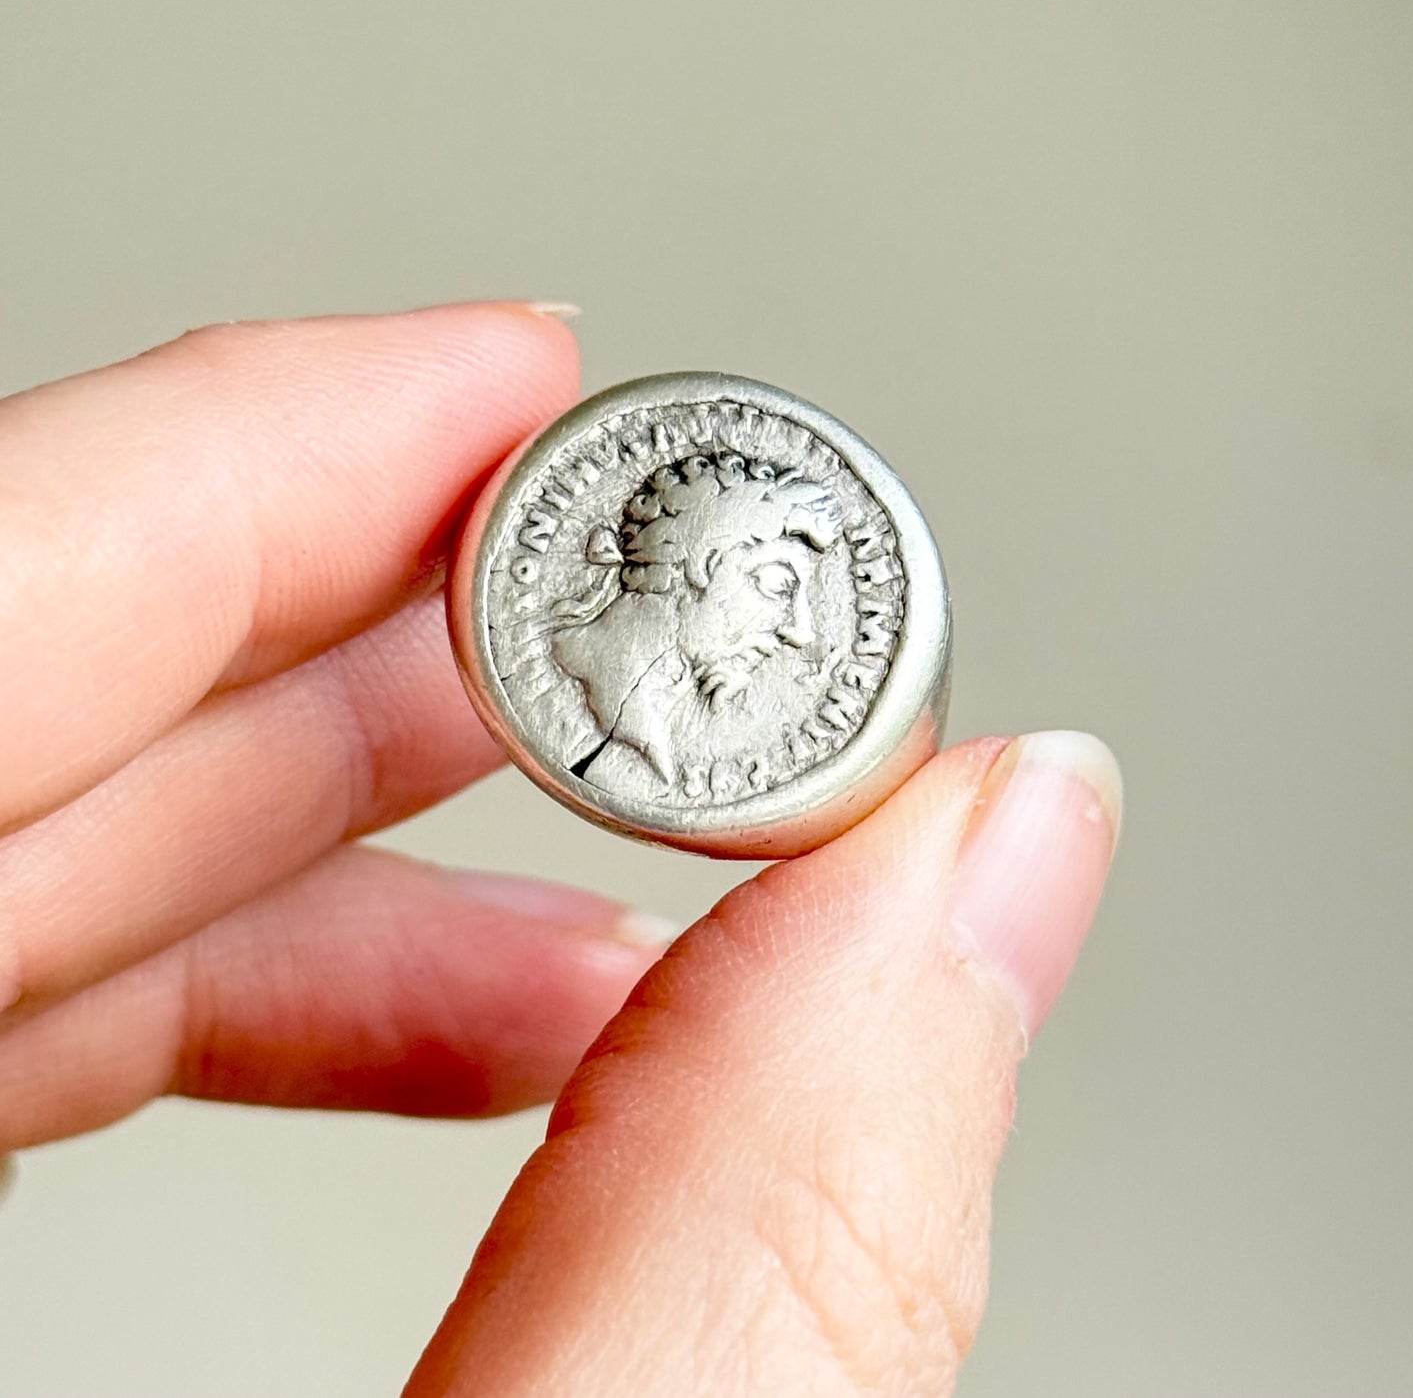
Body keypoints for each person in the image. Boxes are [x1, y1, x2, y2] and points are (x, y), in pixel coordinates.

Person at [0, 301, 1122, 1397]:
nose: (791, 629)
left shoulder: (676, 711)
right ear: (693, 562)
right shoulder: (606, 697)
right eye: (776, 585)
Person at [550, 450, 842, 794]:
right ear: (701, 564)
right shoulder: (579, 683)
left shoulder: (667, 709)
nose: (800, 632)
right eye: (777, 585)